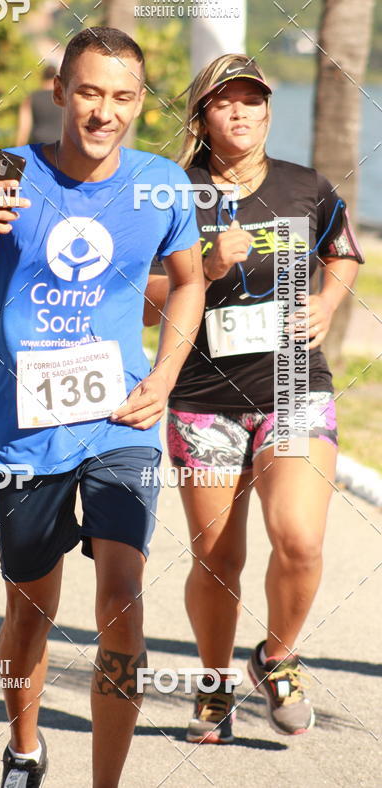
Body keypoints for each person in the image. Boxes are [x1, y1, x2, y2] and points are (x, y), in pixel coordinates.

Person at [0, 27, 204, 787]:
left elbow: (190, 282)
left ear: (140, 104)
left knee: (123, 598)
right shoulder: (3, 173)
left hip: (120, 424)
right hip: (23, 435)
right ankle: (25, 748)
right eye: (90, 92)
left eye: (123, 97)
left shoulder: (162, 184)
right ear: (61, 91)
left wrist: (164, 376)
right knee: (29, 608)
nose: (105, 112)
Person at [145, 54, 364, 744]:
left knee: (298, 538)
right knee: (219, 558)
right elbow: (145, 301)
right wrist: (207, 269)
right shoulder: (171, 192)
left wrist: (328, 302)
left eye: (253, 101)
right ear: (202, 117)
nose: (241, 113)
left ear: (269, 111)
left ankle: (277, 656)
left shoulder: (306, 186)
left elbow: (344, 250)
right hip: (203, 396)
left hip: (294, 386)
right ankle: (213, 687)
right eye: (225, 102)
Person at [16, 64, 63, 146]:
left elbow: (23, 129)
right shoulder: (64, 98)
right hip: (60, 148)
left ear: (42, 78)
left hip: (38, 148)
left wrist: (19, 151)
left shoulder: (30, 98)